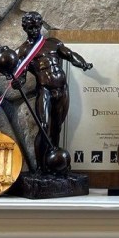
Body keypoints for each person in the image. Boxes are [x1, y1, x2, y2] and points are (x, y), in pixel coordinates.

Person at [12, 11, 93, 173]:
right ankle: (40, 167)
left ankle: (53, 163)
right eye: (30, 27)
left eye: (36, 26)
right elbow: (20, 77)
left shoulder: (53, 43)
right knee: (44, 127)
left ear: (41, 26)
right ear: (25, 28)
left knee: (57, 128)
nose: (34, 30)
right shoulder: (23, 51)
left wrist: (83, 63)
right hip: (45, 92)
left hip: (62, 90)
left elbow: (70, 55)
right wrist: (17, 83)